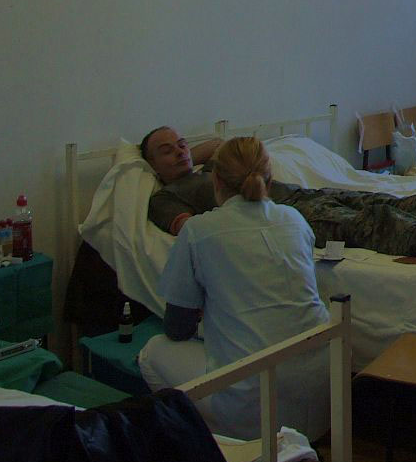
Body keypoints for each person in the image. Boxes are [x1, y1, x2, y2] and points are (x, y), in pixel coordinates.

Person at [138, 137, 330, 440]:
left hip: (256, 409)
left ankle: (219, 444)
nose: (179, 151)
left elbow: (176, 328)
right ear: (270, 179)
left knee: (152, 352)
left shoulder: (199, 231)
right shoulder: (295, 219)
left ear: (215, 180)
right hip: (322, 399)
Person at [140, 126, 416, 257]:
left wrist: (188, 154)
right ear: (151, 165)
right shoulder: (165, 198)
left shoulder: (214, 168)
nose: (180, 151)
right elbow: (189, 229)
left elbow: (219, 143)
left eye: (182, 144)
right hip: (284, 216)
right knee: (378, 222)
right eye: (166, 150)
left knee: (401, 200)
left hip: (306, 195)